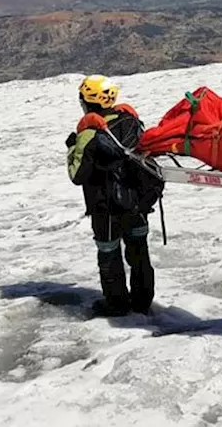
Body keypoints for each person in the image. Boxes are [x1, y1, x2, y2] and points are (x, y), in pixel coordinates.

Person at [66, 74, 156, 317]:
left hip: (106, 207)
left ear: (86, 101)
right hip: (137, 203)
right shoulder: (132, 121)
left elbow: (77, 175)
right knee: (139, 251)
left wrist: (72, 147)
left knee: (109, 253)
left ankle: (116, 305)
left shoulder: (88, 133)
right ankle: (142, 301)